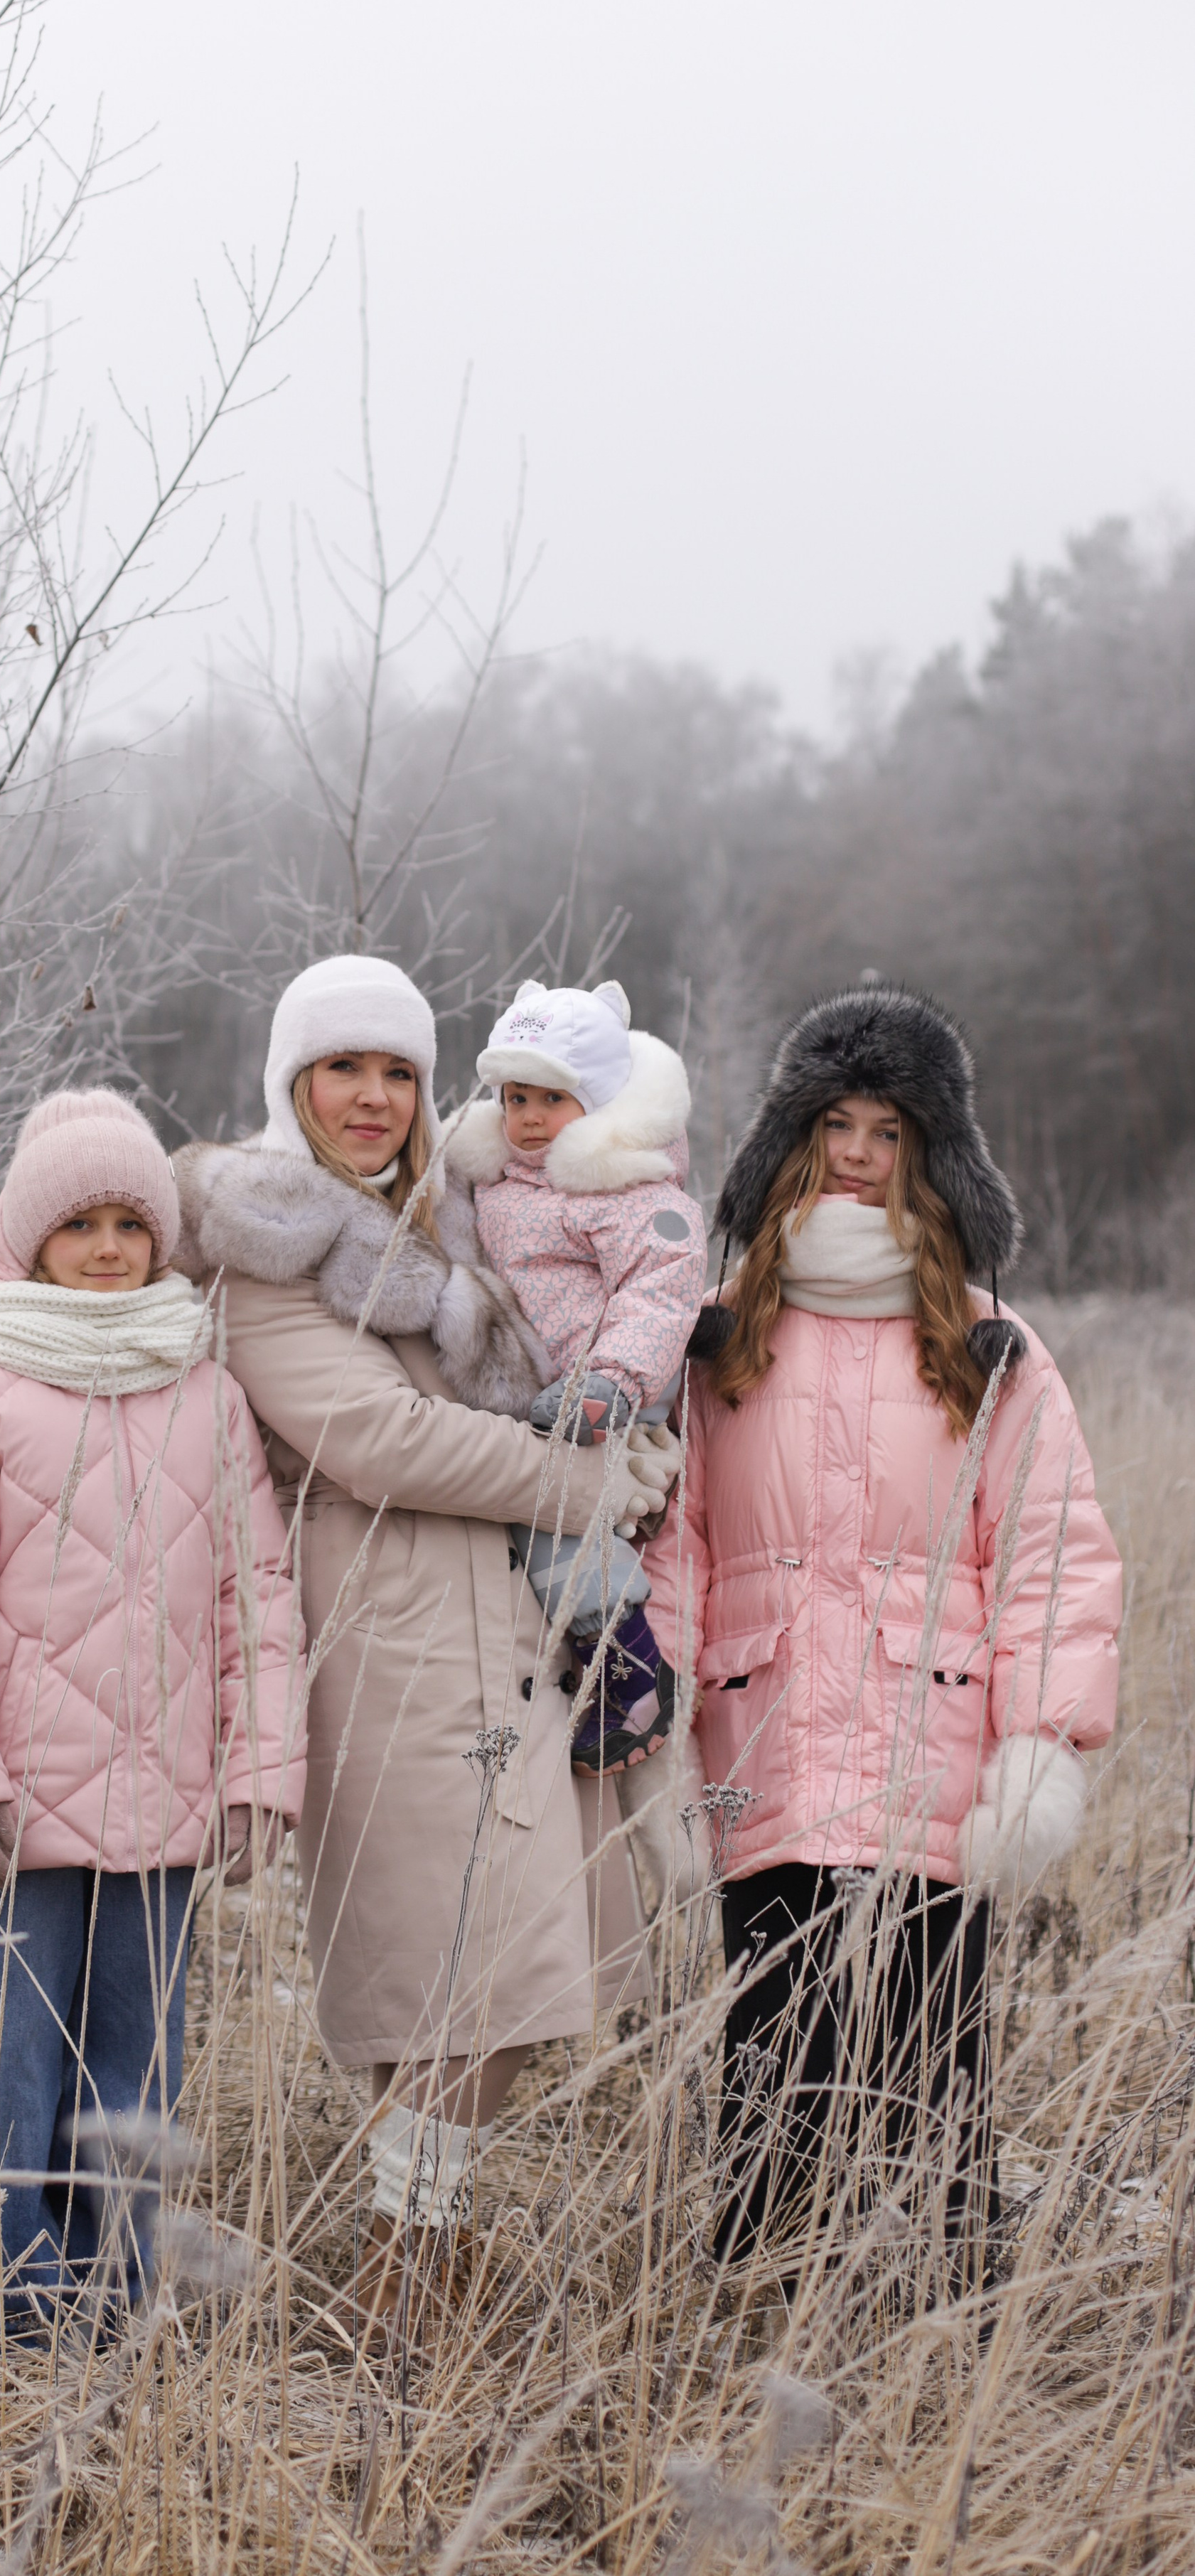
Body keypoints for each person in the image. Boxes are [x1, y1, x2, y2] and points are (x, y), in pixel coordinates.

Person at [171, 955, 673, 2329]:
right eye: (345, 1068)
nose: (375, 1098)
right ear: (293, 1082)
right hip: (383, 1627)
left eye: (400, 1071)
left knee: (503, 1964)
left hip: (505, 1624)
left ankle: (417, 2248)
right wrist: (585, 1482)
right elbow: (378, 1438)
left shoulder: (447, 1239)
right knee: (456, 1963)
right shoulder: (261, 1249)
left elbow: (592, 1322)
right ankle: (406, 2264)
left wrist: (628, 1424)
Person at [645, 987, 1122, 2294]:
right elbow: (670, 1537)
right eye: (833, 1123)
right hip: (765, 1744)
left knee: (934, 2090)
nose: (857, 1153)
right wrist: (650, 1709)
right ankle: (751, 2329)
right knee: (770, 2075)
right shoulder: (713, 1331)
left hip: (936, 1760)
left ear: (933, 1154)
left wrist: (1039, 1745)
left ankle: (945, 2347)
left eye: (890, 1130)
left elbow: (1052, 1552)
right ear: (791, 1141)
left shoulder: (986, 1343)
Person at [0, 1090, 305, 2344]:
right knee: (7, 2064)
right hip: (13, 1812)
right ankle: (0, 2297)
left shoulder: (206, 1397)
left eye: (134, 1222)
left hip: (165, 1805)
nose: (112, 1247)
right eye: (82, 1225)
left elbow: (256, 1599)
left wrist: (260, 1774)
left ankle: (114, 2294)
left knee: (136, 2064)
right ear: (30, 1243)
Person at [446, 977, 707, 1776]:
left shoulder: (626, 1188)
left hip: (604, 1394)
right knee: (532, 1528)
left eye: (550, 1099)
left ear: (597, 1105)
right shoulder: (496, 1180)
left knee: (552, 1520)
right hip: (534, 1399)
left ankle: (629, 1671)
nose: (525, 1116)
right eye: (514, 1096)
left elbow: (663, 1287)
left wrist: (614, 1381)